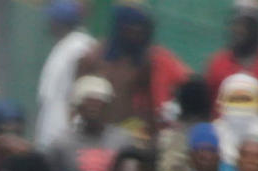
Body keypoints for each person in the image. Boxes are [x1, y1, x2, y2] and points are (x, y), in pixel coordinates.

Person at [77, 4, 191, 134]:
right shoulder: (94, 57)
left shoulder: (143, 61)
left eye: (139, 32)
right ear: (121, 29)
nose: (135, 36)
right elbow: (76, 96)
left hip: (126, 129)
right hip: (92, 129)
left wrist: (152, 133)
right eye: (131, 31)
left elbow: (149, 100)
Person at [47, 76, 137, 171]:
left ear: (107, 107)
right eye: (88, 103)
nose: (93, 107)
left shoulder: (123, 141)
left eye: (99, 102)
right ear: (78, 108)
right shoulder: (61, 144)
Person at [34, 0, 99, 149]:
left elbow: (82, 92)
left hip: (66, 132)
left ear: (59, 22)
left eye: (52, 19)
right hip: (50, 129)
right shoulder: (63, 45)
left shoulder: (80, 45)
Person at [207, 0, 258, 103]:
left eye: (246, 25)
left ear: (256, 28)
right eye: (237, 24)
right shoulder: (218, 63)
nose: (240, 30)